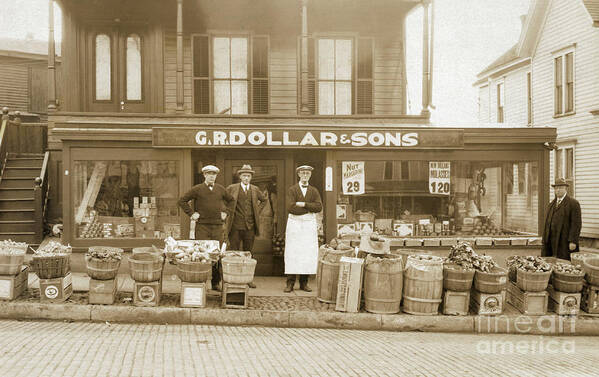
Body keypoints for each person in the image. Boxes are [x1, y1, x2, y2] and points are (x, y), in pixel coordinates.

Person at [178, 165, 234, 291]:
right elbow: (182, 201)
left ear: (216, 176)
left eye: (213, 174)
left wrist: (226, 212)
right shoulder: (197, 189)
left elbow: (231, 201)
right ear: (204, 175)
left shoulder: (221, 189)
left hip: (217, 227)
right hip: (202, 227)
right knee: (200, 254)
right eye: (209, 174)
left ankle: (215, 282)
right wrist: (192, 214)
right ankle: (200, 281)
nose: (211, 176)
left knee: (216, 255)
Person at [225, 164, 266, 288]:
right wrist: (226, 212)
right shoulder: (232, 188)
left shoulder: (255, 189)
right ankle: (233, 278)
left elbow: (264, 200)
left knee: (248, 253)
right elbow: (223, 200)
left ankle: (248, 279)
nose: (246, 178)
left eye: (248, 176)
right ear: (240, 177)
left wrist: (257, 211)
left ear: (251, 177)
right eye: (244, 176)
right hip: (235, 226)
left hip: (250, 227)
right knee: (234, 253)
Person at [284, 165, 322, 293]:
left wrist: (304, 204)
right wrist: (308, 209)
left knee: (307, 251)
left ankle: (304, 283)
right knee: (293, 251)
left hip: (309, 224)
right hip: (294, 223)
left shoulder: (314, 191)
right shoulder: (292, 190)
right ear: (299, 175)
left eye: (307, 173)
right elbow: (290, 207)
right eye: (303, 173)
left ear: (310, 175)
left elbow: (318, 207)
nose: (305, 175)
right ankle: (290, 283)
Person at [542, 178, 582, 260]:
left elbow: (576, 224)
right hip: (551, 239)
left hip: (564, 240)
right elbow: (547, 224)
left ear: (565, 189)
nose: (558, 190)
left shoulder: (573, 204)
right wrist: (544, 239)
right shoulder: (551, 204)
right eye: (556, 188)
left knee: (564, 262)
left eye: (560, 188)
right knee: (549, 261)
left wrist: (573, 241)